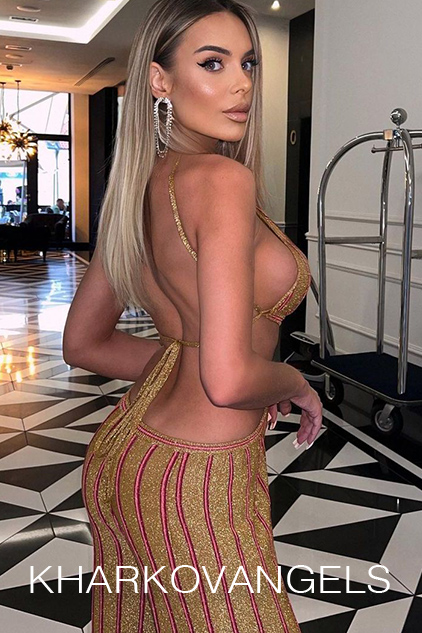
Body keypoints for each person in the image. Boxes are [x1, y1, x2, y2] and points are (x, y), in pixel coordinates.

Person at [63, 1, 323, 631]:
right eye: (213, 63)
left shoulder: (140, 183)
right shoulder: (222, 181)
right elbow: (229, 381)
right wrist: (294, 382)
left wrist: (200, 362)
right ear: (160, 80)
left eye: (248, 64)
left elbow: (84, 343)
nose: (241, 84)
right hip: (198, 479)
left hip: (129, 455)